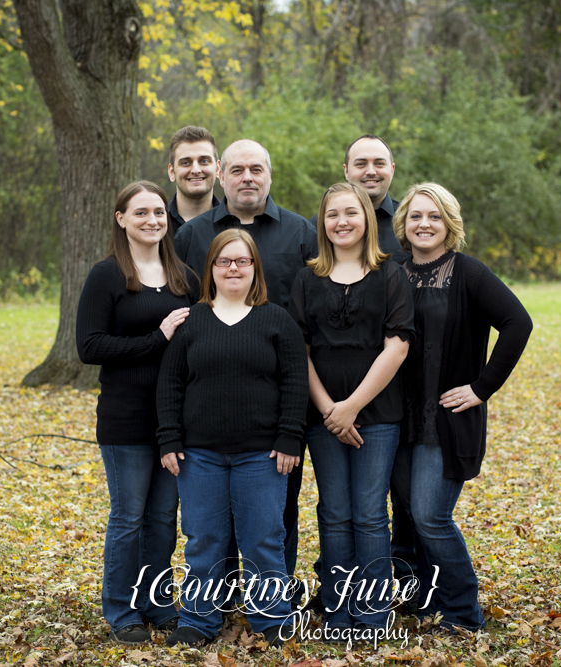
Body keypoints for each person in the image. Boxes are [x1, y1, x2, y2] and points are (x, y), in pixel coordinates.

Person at [173, 139, 317, 590]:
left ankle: (273, 593)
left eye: (256, 168)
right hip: (209, 399)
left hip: (279, 398)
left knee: (277, 508)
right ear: (221, 175)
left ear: (270, 174)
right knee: (210, 517)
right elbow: (182, 320)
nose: (247, 177)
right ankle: (222, 594)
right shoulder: (193, 235)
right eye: (237, 170)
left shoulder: (302, 233)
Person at [390, 182, 532, 631]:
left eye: (433, 216)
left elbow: (517, 323)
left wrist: (481, 387)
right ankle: (428, 600)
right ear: (403, 224)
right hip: (396, 418)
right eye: (416, 216)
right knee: (410, 514)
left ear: (449, 224)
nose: (424, 224)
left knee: (431, 515)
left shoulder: (468, 273)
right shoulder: (392, 272)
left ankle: (464, 612)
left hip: (447, 420)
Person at [157, 229, 309, 647]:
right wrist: (169, 438)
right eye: (224, 261)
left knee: (263, 540)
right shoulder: (193, 321)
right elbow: (169, 384)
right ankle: (199, 622)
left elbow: (296, 382)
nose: (233, 268)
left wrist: (290, 436)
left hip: (262, 455)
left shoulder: (276, 320)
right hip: (199, 456)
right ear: (211, 269)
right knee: (204, 540)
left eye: (242, 261)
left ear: (255, 268)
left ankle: (271, 619)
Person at [75, 181, 199, 644]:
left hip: (173, 420)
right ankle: (121, 610)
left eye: (159, 213)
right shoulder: (106, 275)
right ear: (121, 218)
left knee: (163, 519)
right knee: (128, 517)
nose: (152, 220)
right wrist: (158, 337)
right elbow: (88, 346)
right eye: (141, 212)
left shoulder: (183, 276)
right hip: (125, 417)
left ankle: (157, 602)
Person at [288, 182, 415, 636]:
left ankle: (373, 614)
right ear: (322, 223)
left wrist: (352, 407)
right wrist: (329, 411)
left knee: (369, 512)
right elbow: (297, 352)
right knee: (334, 512)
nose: (342, 222)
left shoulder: (391, 274)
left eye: (351, 213)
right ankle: (339, 612)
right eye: (332, 215)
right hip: (322, 419)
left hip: (378, 417)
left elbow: (396, 348)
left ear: (366, 218)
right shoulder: (307, 278)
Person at [311, 135, 406, 264]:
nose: (371, 171)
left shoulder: (409, 223)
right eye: (361, 164)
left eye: (379, 164)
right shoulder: (315, 229)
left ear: (392, 170)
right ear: (346, 171)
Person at [166, 126, 221, 234]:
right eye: (185, 163)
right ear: (172, 172)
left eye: (204, 161)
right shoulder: (155, 224)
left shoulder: (235, 224)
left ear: (218, 169)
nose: (196, 170)